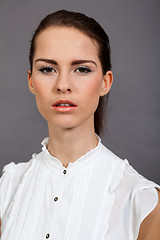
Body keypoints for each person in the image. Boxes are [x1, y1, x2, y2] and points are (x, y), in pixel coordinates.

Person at [0, 10, 159, 240]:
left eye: (82, 69)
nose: (63, 85)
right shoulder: (7, 188)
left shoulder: (142, 203)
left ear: (105, 82)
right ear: (31, 81)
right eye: (47, 69)